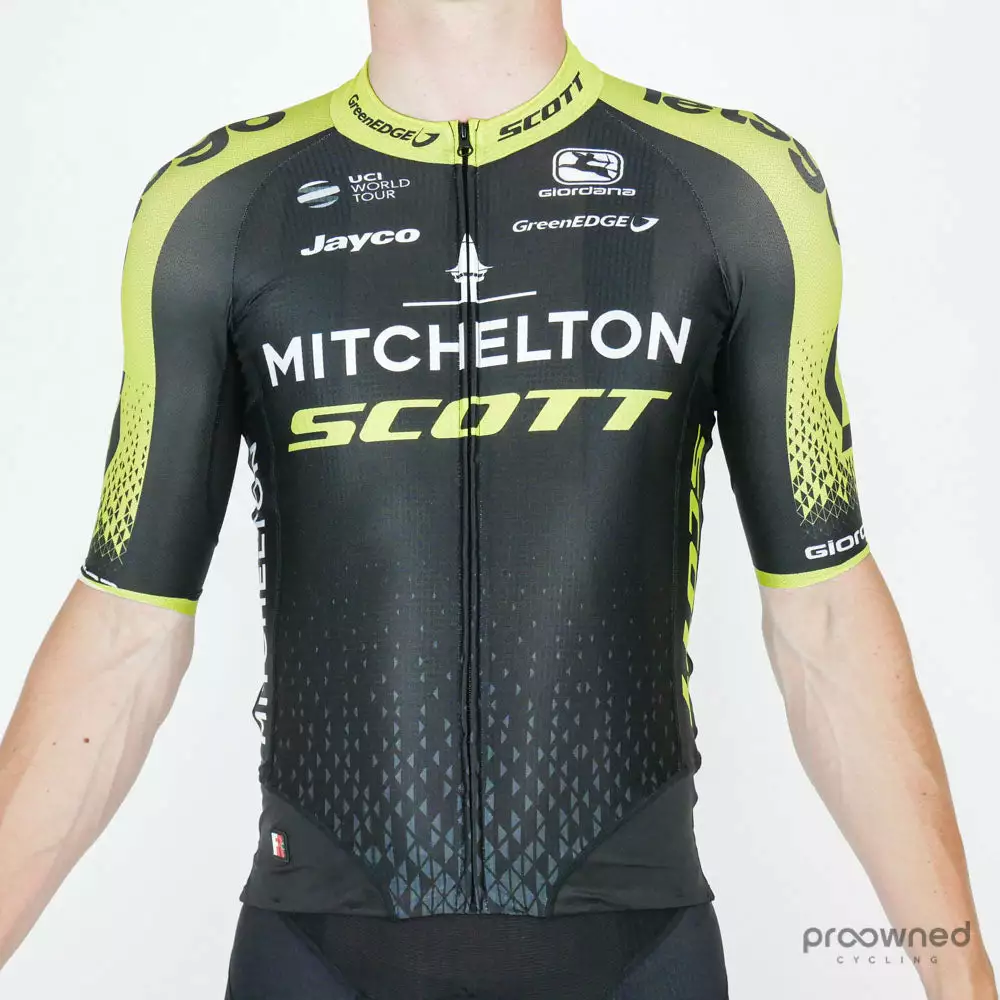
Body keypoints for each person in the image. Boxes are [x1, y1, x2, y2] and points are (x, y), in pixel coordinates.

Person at [0, 1, 995, 998]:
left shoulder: (735, 189)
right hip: (316, 953)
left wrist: (963, 980)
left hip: (635, 953)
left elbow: (825, 619)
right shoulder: (215, 208)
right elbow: (125, 628)